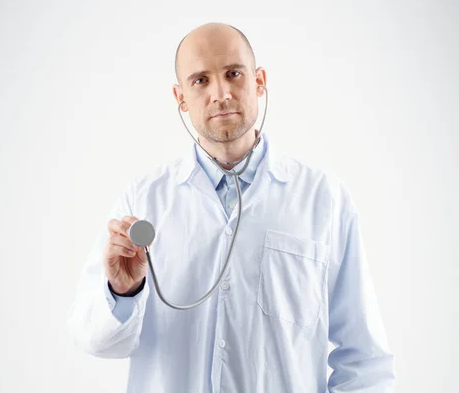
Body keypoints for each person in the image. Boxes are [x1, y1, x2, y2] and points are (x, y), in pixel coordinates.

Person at [67, 22, 395, 392]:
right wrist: (123, 292)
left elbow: (365, 359)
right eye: (200, 81)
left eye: (233, 74)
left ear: (259, 81)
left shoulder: (324, 198)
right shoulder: (142, 201)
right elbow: (97, 341)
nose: (220, 94)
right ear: (180, 97)